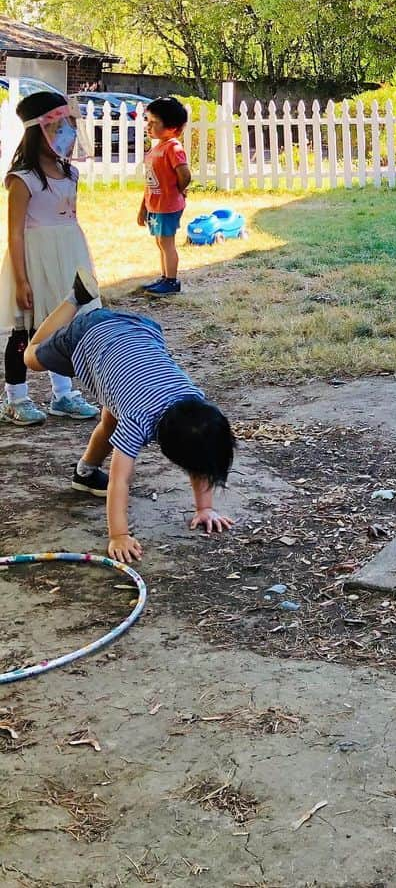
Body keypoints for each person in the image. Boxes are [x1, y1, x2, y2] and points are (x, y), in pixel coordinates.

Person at [24, 268, 235, 563]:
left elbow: (200, 456)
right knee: (31, 358)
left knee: (111, 419)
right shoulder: (139, 419)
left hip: (141, 330)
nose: (198, 475)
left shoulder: (196, 404)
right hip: (89, 333)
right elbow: (119, 481)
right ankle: (75, 299)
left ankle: (84, 474)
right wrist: (118, 535)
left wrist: (204, 509)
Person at [0, 90, 100, 425]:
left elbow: (69, 220)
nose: (67, 135)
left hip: (68, 257)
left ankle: (63, 394)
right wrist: (21, 279)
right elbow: (15, 233)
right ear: (37, 132)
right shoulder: (22, 180)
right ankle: (16, 398)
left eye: (68, 127)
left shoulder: (70, 174)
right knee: (25, 331)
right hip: (34, 261)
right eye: (58, 128)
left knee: (64, 327)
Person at [138, 96, 191, 295]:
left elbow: (185, 175)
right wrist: (143, 208)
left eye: (154, 123)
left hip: (167, 206)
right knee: (160, 242)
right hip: (155, 205)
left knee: (167, 243)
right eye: (147, 121)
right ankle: (164, 276)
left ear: (173, 128)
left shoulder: (173, 148)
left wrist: (176, 192)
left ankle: (171, 281)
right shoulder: (156, 148)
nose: (148, 126)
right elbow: (150, 182)